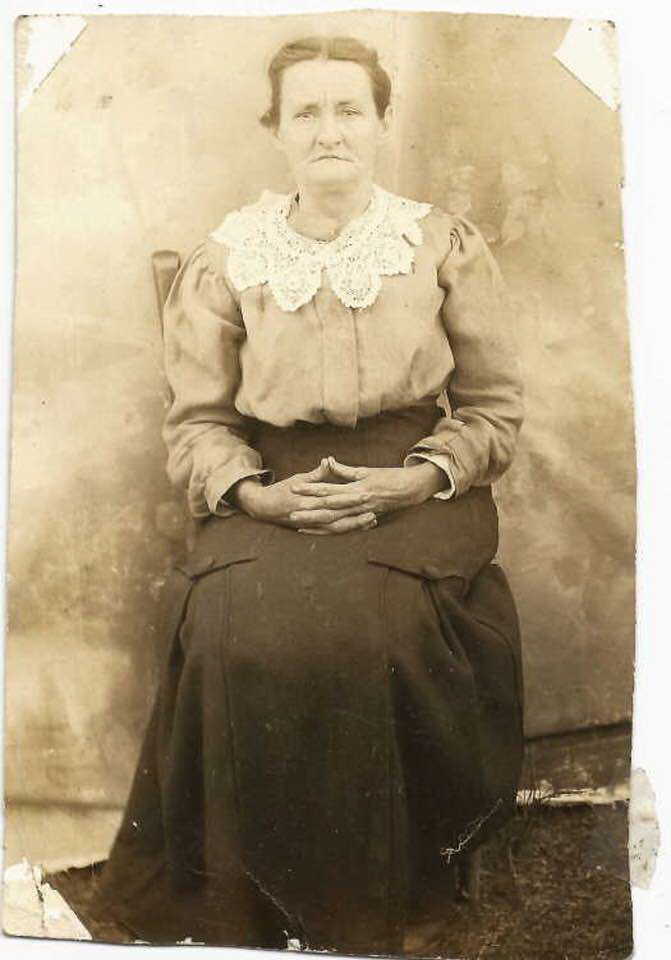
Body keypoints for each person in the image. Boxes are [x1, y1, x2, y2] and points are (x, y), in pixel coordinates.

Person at [96, 35, 525, 956]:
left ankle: (390, 886)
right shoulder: (228, 257)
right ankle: (245, 900)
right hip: (271, 483)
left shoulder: (440, 244)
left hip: (416, 482)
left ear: (379, 122)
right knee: (234, 632)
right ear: (277, 130)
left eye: (347, 110)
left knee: (374, 631)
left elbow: (493, 410)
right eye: (306, 112)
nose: (328, 131)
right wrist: (255, 496)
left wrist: (413, 477)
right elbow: (198, 422)